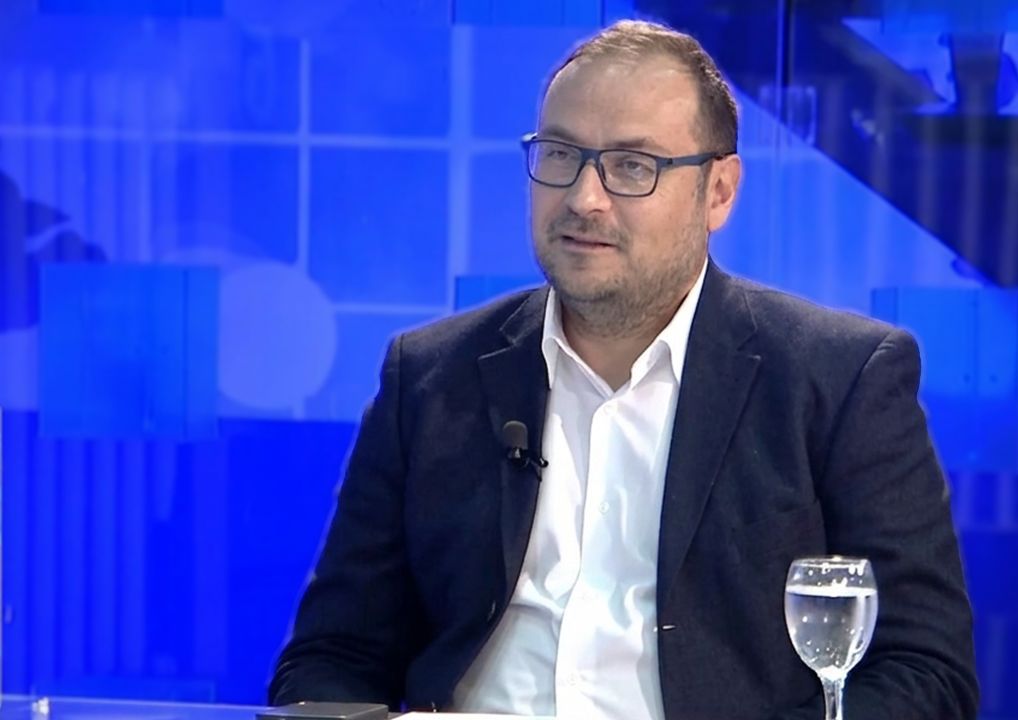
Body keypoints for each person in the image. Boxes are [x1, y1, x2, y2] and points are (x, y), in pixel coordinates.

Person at [269, 19, 979, 720]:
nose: (584, 198)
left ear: (719, 192)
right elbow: (332, 658)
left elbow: (926, 674)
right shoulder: (428, 378)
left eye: (633, 166)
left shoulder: (840, 378)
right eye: (560, 155)